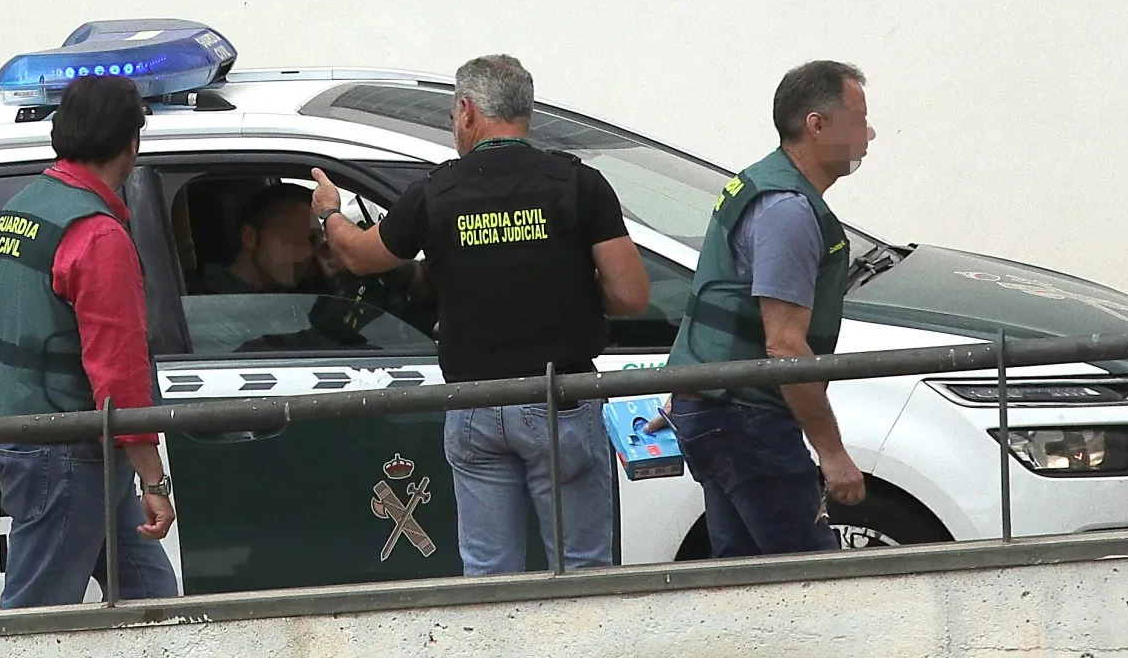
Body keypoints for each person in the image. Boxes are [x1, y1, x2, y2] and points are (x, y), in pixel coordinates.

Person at [311, 54, 650, 575]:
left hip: (474, 403)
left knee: (490, 576)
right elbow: (631, 295)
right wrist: (566, 291)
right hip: (560, 398)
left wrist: (330, 212)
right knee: (585, 573)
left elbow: (358, 255)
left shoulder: (436, 192)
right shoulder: (577, 184)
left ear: (467, 112)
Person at [0, 75, 178, 608]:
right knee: (35, 620)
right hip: (66, 450)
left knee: (150, 600)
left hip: (32, 436)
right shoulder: (98, 233)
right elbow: (119, 373)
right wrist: (154, 481)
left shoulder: (20, 210)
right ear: (131, 144)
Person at [659, 60, 875, 557]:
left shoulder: (761, 185)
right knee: (806, 575)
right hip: (745, 417)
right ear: (817, 124)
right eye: (859, 119)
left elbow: (719, 298)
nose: (870, 133)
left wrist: (689, 388)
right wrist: (833, 454)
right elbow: (784, 343)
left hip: (718, 408)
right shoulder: (788, 210)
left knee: (744, 579)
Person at [200, 183, 329, 295]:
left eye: (312, 240)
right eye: (291, 238)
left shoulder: (284, 299)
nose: (307, 253)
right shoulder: (207, 302)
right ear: (249, 237)